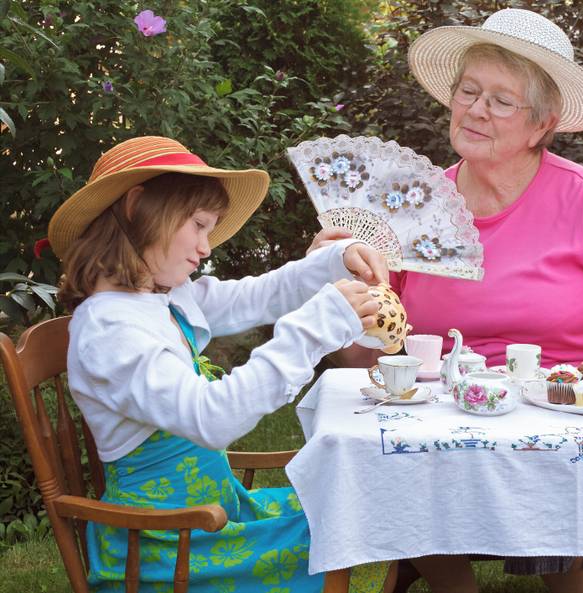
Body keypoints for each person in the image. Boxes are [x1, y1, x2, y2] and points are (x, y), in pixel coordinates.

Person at [321, 8, 583, 593]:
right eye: (469, 91)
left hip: (566, 418)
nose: (477, 109)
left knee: (554, 475)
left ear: (541, 125)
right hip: (448, 421)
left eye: (502, 101)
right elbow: (366, 357)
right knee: (403, 457)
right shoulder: (411, 207)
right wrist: (336, 296)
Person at [49, 136, 394, 593]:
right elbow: (212, 419)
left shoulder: (161, 296)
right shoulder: (110, 331)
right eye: (198, 225)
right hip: (166, 544)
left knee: (352, 503)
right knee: (341, 524)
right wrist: (314, 329)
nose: (206, 246)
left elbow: (258, 296)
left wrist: (335, 260)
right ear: (136, 207)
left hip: (208, 517)